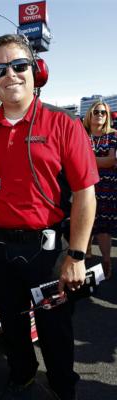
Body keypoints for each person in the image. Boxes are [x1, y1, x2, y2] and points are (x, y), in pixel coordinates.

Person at [0, 34, 98, 400]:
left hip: (48, 252)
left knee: (56, 332)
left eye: (19, 65)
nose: (11, 75)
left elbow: (86, 193)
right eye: (0, 69)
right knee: (11, 325)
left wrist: (76, 255)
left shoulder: (64, 125)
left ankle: (61, 389)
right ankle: (21, 377)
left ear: (36, 71)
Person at [83, 101, 117, 279]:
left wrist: (87, 158)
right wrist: (99, 160)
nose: (100, 115)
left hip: (106, 188)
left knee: (104, 227)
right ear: (90, 114)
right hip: (84, 186)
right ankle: (84, 256)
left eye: (104, 112)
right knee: (83, 222)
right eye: (96, 111)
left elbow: (111, 161)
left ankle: (106, 261)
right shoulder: (81, 135)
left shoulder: (113, 136)